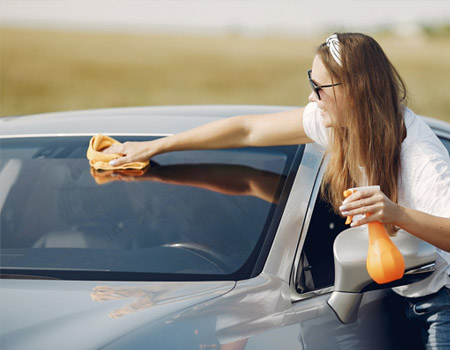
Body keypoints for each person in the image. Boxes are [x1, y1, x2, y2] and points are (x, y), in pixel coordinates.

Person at [104, 32, 450, 348]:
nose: (311, 98)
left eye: (319, 89)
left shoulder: (421, 157)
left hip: (442, 302)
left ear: (354, 92)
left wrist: (396, 213)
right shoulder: (337, 123)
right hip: (397, 295)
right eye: (310, 82)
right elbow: (245, 130)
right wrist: (154, 148)